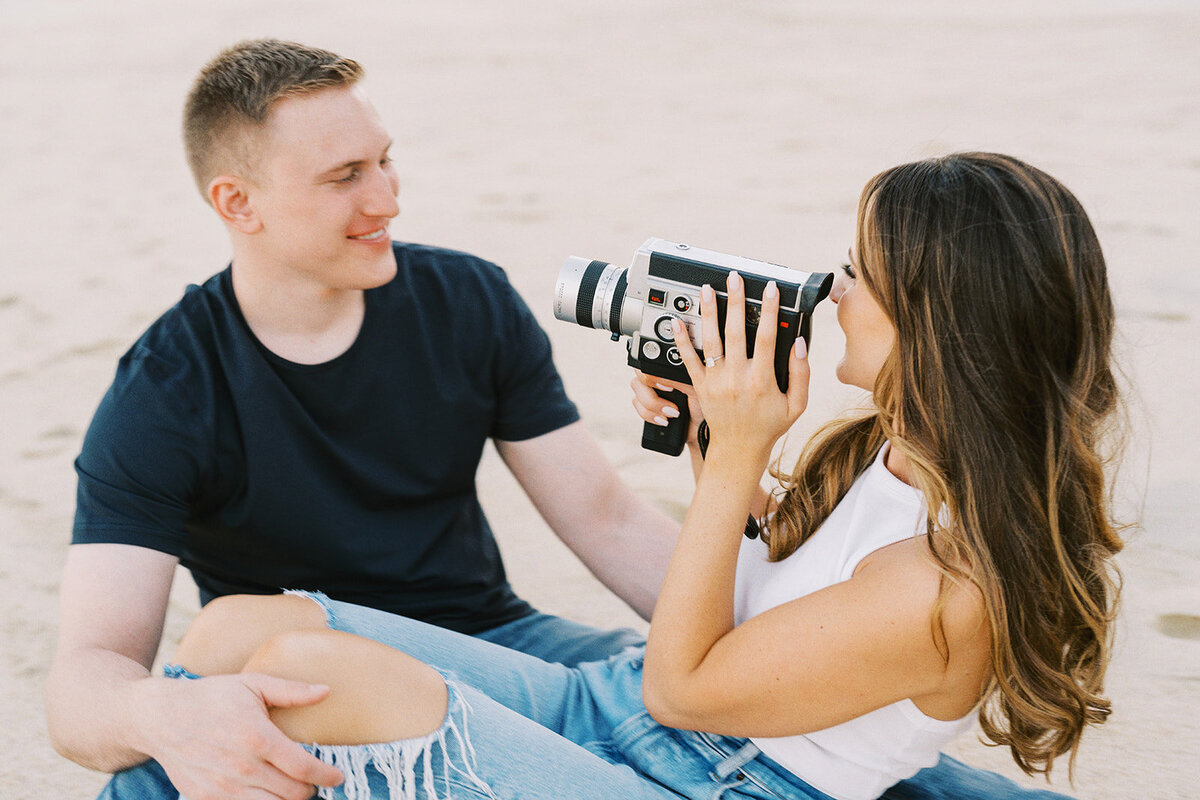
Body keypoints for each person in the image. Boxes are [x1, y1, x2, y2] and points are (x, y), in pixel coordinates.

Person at [133, 152, 1124, 800]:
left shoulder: (947, 587)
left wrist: (738, 460)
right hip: (624, 715)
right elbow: (766, 598)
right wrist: (713, 450)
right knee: (244, 628)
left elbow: (687, 684)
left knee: (317, 683)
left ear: (937, 321)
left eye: (859, 273)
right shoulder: (889, 452)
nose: (832, 292)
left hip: (701, 777)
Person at [45, 38, 682, 800]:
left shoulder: (468, 302)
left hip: (499, 646)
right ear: (236, 202)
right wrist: (168, 716)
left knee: (707, 714)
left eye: (383, 161)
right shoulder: (166, 394)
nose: (387, 198)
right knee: (158, 775)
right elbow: (86, 681)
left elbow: (607, 519)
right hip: (304, 683)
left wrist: (752, 640)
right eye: (345, 177)